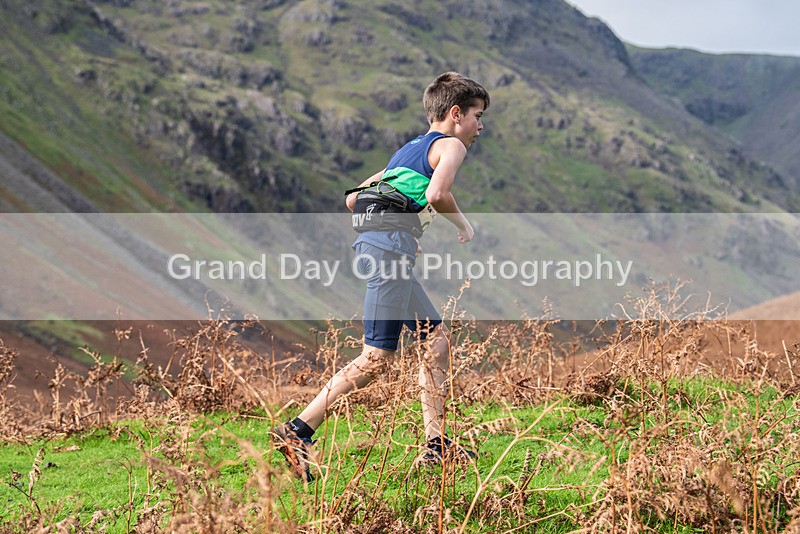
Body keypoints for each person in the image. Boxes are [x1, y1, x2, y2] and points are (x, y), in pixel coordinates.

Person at [271, 72, 489, 482]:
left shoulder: (407, 150)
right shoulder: (452, 145)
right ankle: (296, 432)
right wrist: (462, 226)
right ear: (456, 114)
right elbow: (437, 195)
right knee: (376, 357)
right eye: (477, 116)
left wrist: (399, 229)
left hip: (383, 248)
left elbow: (354, 198)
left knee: (435, 340)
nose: (480, 127)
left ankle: (437, 446)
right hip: (389, 252)